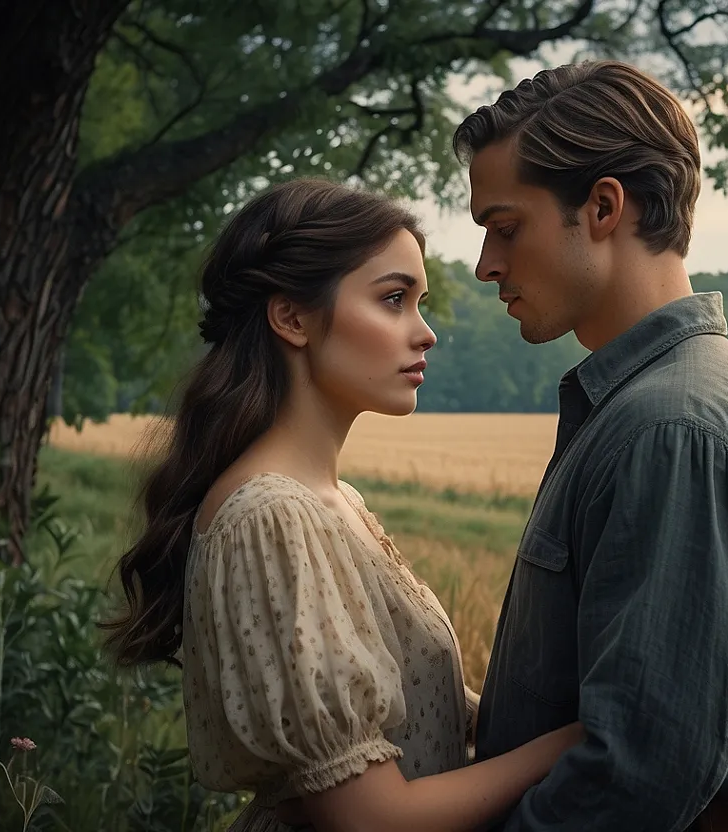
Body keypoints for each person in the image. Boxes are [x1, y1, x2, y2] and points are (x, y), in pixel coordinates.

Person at [101, 178, 583, 832]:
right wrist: (578, 741)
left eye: (421, 302)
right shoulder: (272, 517)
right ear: (292, 318)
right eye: (393, 300)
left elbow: (415, 713)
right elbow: (371, 819)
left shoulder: (336, 502)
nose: (426, 334)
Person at [450, 60, 728, 831]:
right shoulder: (656, 406)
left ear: (602, 207)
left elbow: (634, 778)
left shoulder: (678, 432)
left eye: (504, 227)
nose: (486, 265)